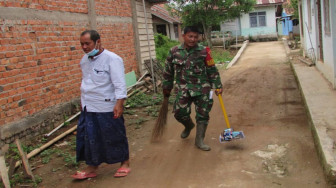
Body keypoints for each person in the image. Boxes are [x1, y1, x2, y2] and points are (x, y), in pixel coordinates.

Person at [71, 30, 130, 179]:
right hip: (89, 106)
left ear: (98, 42)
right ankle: (92, 167)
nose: (84, 47)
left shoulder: (112, 59)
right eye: (81, 44)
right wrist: (82, 101)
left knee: (115, 134)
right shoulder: (84, 60)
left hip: (107, 105)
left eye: (87, 43)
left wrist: (119, 103)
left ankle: (124, 163)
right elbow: (85, 82)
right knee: (90, 137)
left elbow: (119, 84)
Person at [162, 26, 223, 151]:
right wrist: (167, 87)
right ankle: (189, 126)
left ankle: (199, 140)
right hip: (183, 88)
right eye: (190, 36)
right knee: (179, 113)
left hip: (202, 87)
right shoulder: (174, 51)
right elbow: (168, 72)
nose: (193, 39)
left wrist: (217, 85)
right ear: (183, 36)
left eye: (196, 37)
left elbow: (212, 69)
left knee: (203, 114)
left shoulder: (204, 51)